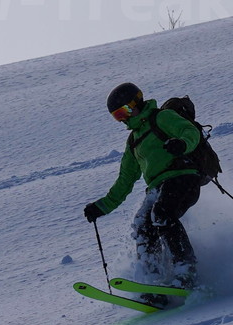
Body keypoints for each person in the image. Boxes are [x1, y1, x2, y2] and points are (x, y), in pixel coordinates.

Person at [83, 82, 204, 302]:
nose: (123, 119)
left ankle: (187, 271)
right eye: (117, 116)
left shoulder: (162, 118)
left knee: (162, 214)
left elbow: (190, 131)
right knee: (142, 225)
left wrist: (182, 144)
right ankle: (154, 281)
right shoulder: (134, 141)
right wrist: (102, 206)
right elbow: (126, 180)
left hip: (182, 176)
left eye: (124, 111)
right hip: (157, 187)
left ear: (137, 102)